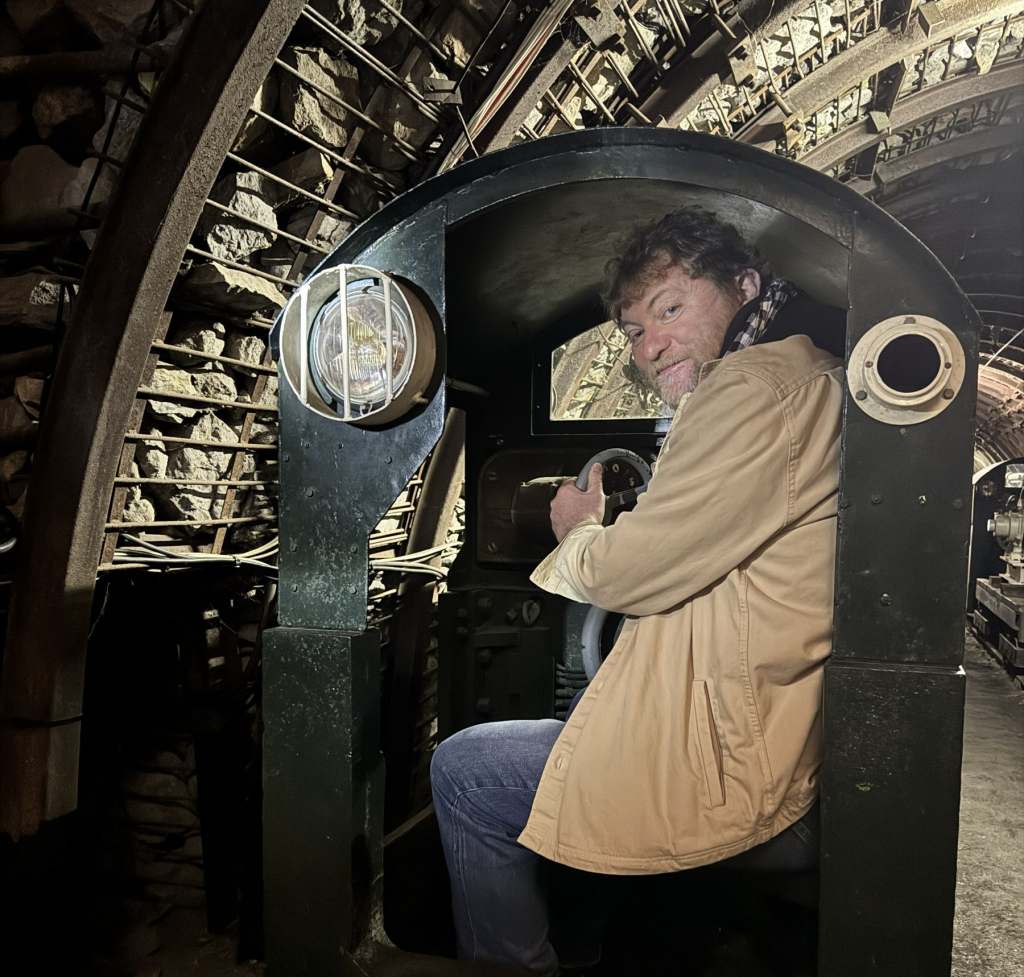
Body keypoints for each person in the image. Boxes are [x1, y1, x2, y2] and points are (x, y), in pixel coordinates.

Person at [430, 207, 845, 975]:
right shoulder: (802, 374)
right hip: (773, 734)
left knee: (464, 771)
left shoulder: (752, 389)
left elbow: (630, 571)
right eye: (632, 330)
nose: (651, 345)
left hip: (737, 766)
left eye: (672, 308)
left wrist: (580, 529)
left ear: (745, 286)